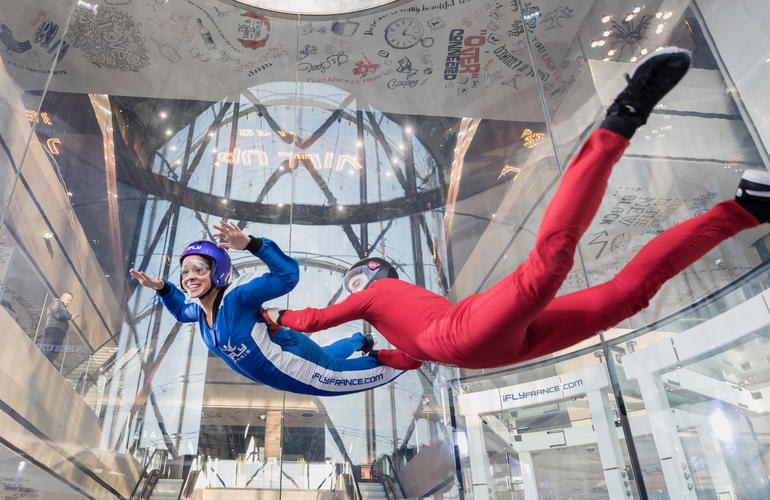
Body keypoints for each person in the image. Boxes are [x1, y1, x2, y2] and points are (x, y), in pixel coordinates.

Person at [265, 47, 770, 370]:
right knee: (624, 298)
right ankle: (745, 210)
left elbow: (317, 320)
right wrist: (376, 353)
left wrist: (274, 317)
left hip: (467, 337)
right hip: (486, 342)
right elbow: (408, 360)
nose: (354, 283)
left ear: (375, 275)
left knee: (559, 273)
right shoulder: (394, 318)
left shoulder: (379, 297)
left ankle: (625, 116)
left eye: (359, 276)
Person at [130, 221, 403, 395]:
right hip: (286, 364)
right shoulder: (201, 313)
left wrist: (252, 245)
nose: (189, 276)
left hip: (295, 366)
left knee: (345, 373)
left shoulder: (237, 297)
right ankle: (360, 340)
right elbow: (180, 311)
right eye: (185, 270)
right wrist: (162, 288)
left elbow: (287, 277)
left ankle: (413, 355)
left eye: (199, 269)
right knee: (329, 355)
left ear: (218, 272)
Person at [41, 291, 78, 365]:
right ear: (62, 297)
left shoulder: (62, 308)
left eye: (70, 301)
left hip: (59, 333)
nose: (68, 302)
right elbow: (57, 314)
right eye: (68, 299)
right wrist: (70, 316)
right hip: (54, 330)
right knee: (48, 349)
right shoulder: (56, 303)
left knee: (53, 353)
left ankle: (46, 364)